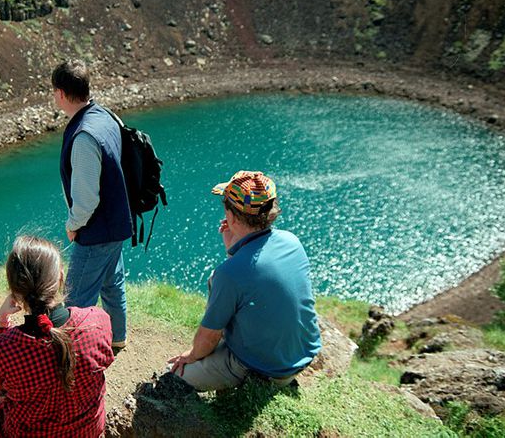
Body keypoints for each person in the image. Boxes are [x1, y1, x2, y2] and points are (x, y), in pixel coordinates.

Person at [168, 171, 322, 391]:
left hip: (268, 369)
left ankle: (257, 382)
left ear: (231, 216)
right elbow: (251, 273)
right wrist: (232, 247)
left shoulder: (229, 273)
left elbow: (208, 339)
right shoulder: (291, 241)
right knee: (220, 280)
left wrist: (191, 355)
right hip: (302, 355)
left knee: (174, 374)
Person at [0, 236, 114, 438]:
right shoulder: (98, 322)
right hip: (87, 432)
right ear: (60, 278)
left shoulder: (2, 350)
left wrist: (1, 321)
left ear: (14, 291)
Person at [52, 60, 133, 350]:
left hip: (97, 231)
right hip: (118, 223)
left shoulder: (84, 136)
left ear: (60, 93)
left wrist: (73, 226)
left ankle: (72, 356)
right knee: (112, 286)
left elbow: (87, 199)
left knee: (76, 301)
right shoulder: (104, 116)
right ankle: (116, 338)